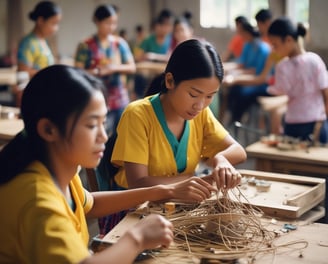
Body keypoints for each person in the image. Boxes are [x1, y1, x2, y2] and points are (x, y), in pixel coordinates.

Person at [0, 64, 218, 263]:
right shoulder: (38, 201)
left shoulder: (56, 168)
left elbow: (90, 204)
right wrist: (137, 238)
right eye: (91, 125)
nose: (104, 136)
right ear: (49, 130)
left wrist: (161, 191)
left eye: (103, 123)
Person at [111, 39, 246, 190]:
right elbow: (138, 183)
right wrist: (192, 179)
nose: (200, 105)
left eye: (209, 96)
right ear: (170, 81)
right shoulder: (137, 115)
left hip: (176, 204)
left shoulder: (200, 114)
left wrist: (220, 159)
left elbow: (239, 151)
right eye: (193, 94)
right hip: (135, 207)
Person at [75, 4, 136, 134]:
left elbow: (132, 67)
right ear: (97, 21)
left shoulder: (119, 43)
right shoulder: (86, 45)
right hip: (97, 99)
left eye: (114, 23)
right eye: (107, 23)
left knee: (122, 137)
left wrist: (113, 68)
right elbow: (77, 73)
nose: (111, 27)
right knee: (102, 137)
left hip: (120, 99)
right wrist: (96, 72)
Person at [267, 17, 328, 143]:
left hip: (315, 125)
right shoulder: (282, 66)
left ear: (289, 40)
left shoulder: (313, 61)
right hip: (292, 124)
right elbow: (284, 93)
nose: (274, 50)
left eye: (275, 45)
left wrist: (323, 120)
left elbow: (326, 94)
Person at [15, 1, 61, 106]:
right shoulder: (28, 43)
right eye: (53, 23)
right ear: (40, 21)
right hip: (33, 94)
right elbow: (23, 72)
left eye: (57, 24)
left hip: (44, 92)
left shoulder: (42, 41)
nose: (56, 28)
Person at [225, 22, 271, 124]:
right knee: (233, 90)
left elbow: (257, 74)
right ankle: (233, 119)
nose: (238, 35)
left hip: (260, 84)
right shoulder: (247, 45)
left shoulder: (263, 49)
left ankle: (238, 120)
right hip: (251, 78)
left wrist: (235, 78)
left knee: (242, 93)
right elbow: (242, 64)